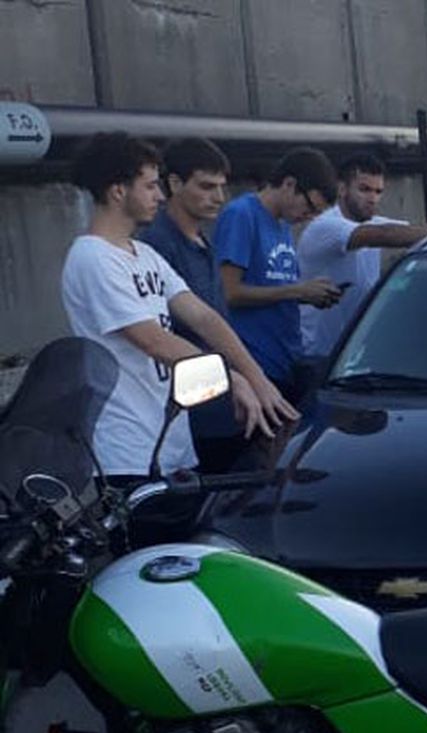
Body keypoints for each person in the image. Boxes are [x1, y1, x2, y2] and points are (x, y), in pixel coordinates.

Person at [59, 132, 297, 512]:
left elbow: (204, 317)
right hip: (127, 454)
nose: (159, 195)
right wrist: (229, 378)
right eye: (151, 185)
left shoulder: (146, 254)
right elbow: (151, 339)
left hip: (174, 446)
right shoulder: (91, 258)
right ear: (118, 190)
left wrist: (257, 379)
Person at [137, 137, 245, 471]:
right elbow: (166, 333)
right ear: (174, 184)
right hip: (190, 412)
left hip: (225, 402)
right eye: (207, 186)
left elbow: (213, 316)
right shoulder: (156, 245)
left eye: (221, 187)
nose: (219, 197)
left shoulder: (200, 237)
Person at [216, 146, 342, 410]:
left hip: (286, 360)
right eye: (309, 207)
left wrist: (310, 296)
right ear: (289, 184)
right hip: (256, 366)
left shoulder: (283, 224)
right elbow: (230, 292)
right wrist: (297, 291)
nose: (307, 217)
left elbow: (273, 285)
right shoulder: (242, 215)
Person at [297, 153, 427, 361]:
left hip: (353, 356)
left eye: (378, 191)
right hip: (317, 356)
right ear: (342, 189)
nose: (373, 198)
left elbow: (416, 231)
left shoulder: (373, 224)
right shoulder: (325, 226)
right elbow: (383, 235)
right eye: (364, 189)